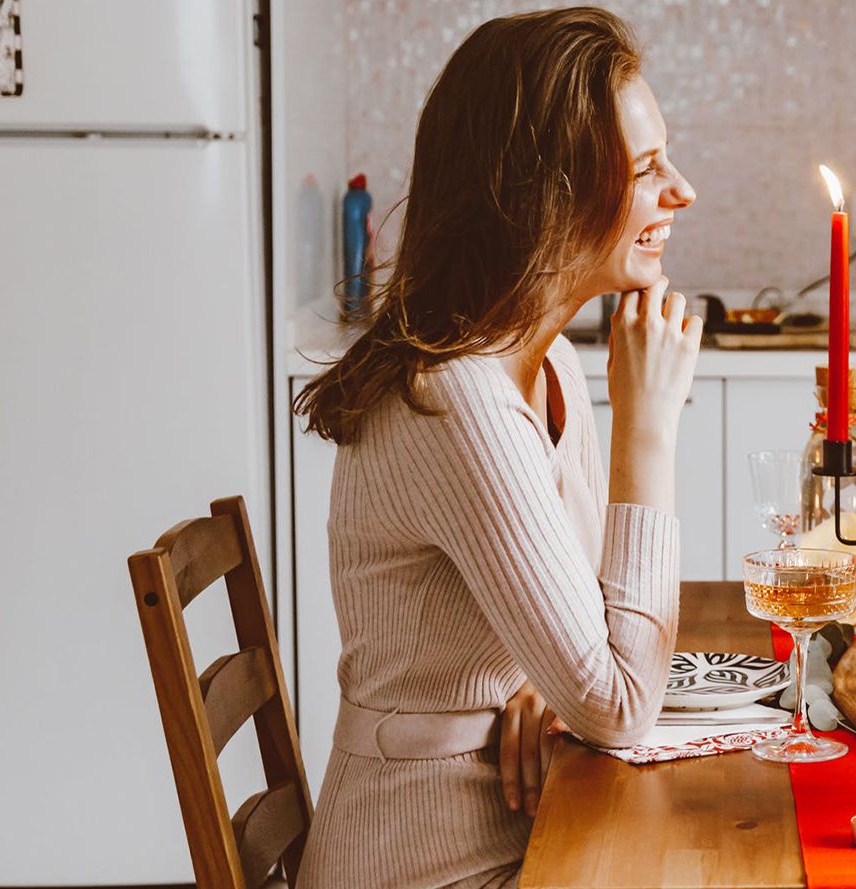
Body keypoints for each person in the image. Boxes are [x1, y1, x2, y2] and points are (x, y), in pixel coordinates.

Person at [291, 8, 698, 887]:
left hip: (527, 832)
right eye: (646, 169)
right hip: (430, 865)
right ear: (550, 197)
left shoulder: (544, 359)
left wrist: (550, 683)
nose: (681, 190)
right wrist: (648, 425)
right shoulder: (459, 401)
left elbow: (594, 637)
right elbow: (624, 704)